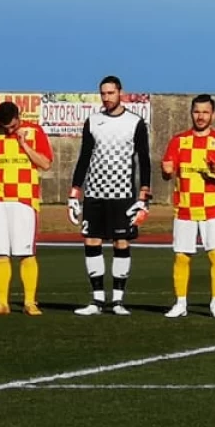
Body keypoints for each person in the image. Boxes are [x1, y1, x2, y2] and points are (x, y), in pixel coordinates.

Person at [67, 77, 151, 315]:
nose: (106, 98)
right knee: (91, 241)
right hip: (94, 194)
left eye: (111, 93)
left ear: (120, 93)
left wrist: (144, 194)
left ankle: (117, 301)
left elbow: (144, 160)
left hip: (123, 194)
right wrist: (75, 192)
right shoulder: (93, 121)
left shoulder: (135, 122)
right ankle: (96, 300)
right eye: (103, 93)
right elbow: (84, 157)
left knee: (120, 243)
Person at [162, 94, 215, 319]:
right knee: (182, 256)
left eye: (205, 112)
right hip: (184, 208)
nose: (200, 116)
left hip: (213, 208)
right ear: (191, 113)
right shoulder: (178, 141)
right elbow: (168, 171)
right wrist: (165, 171)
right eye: (197, 112)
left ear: (213, 115)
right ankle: (181, 303)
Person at [0, 100, 52, 316]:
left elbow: (45, 163)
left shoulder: (34, 131)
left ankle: (30, 302)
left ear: (20, 116)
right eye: (5, 127)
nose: (9, 130)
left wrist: (24, 145)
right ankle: (1, 302)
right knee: (0, 252)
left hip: (25, 199)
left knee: (25, 252)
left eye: (12, 126)